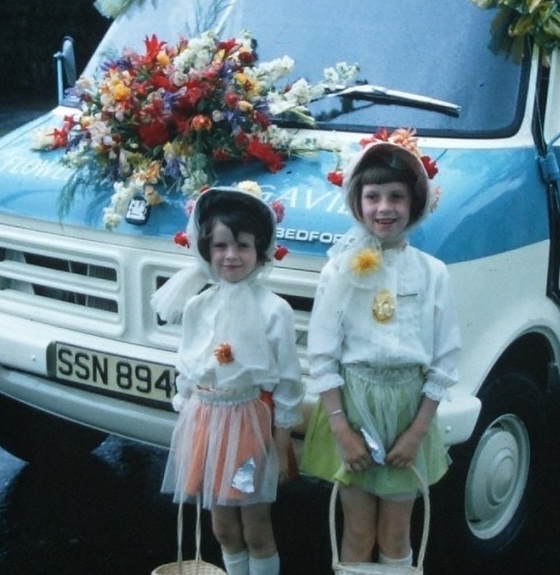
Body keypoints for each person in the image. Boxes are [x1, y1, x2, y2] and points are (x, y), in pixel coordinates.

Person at [300, 129, 461, 568]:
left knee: (395, 533)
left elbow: (445, 356)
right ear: (357, 202)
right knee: (357, 531)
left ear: (415, 203)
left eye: (396, 197)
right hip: (353, 408)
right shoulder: (340, 270)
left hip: (407, 412)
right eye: (373, 196)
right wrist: (341, 430)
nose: (384, 208)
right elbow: (323, 352)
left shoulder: (432, 272)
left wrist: (416, 433)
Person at [152, 181, 303, 575]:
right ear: (206, 250)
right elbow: (189, 368)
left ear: (261, 250)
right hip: (207, 424)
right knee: (222, 527)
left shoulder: (274, 310)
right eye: (220, 246)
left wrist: (281, 441)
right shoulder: (199, 305)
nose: (231, 255)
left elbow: (287, 380)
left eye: (243, 246)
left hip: (249, 426)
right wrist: (187, 422)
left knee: (256, 528)